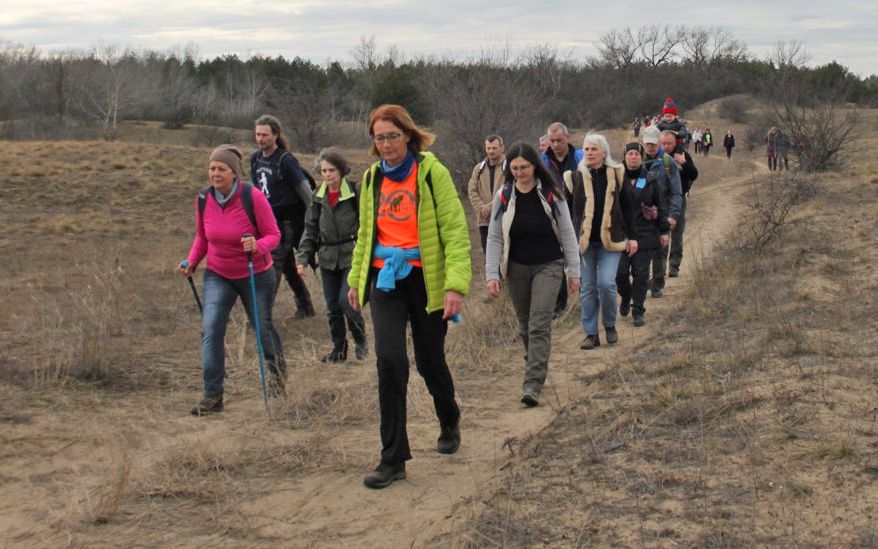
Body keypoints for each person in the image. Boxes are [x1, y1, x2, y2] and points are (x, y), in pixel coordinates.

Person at [347, 104, 471, 489]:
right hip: (386, 281)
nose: (385, 145)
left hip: (426, 280)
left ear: (409, 136)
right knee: (390, 361)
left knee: (430, 361)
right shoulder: (370, 181)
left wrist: (455, 286)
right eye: (379, 138)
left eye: (392, 136)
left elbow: (454, 231)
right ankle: (393, 458)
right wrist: (355, 280)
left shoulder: (432, 173)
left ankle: (448, 418)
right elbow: (366, 235)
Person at [179, 145, 285, 416]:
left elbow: (274, 235)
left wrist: (257, 246)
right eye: (212, 168)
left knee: (262, 327)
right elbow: (202, 238)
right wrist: (192, 261)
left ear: (233, 173)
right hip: (218, 273)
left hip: (256, 273)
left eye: (221, 169)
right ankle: (213, 395)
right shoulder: (203, 199)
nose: (215, 173)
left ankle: (278, 380)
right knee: (211, 330)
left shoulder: (252, 197)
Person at [485, 142, 580, 407]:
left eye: (524, 167)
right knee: (525, 324)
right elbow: (494, 237)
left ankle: (533, 383)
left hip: (548, 265)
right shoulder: (503, 196)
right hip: (515, 267)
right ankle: (534, 365)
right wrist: (491, 274)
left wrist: (574, 271)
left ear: (534, 165)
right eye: (514, 168)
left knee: (540, 323)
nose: (519, 172)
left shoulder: (552, 193)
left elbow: (568, 233)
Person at [296, 149, 367, 363]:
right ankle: (339, 350)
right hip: (327, 258)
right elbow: (310, 230)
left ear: (341, 170)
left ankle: (361, 340)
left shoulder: (354, 192)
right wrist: (302, 259)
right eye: (324, 171)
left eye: (331, 170)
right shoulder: (317, 197)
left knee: (347, 301)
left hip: (351, 255)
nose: (327, 175)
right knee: (332, 307)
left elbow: (366, 224)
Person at [565, 134, 633, 350]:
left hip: (611, 240)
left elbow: (628, 208)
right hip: (584, 242)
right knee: (587, 288)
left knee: (606, 283)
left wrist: (633, 238)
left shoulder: (617, 173)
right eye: (586, 149)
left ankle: (610, 325)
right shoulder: (574, 177)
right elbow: (567, 213)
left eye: (594, 149)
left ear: (604, 152)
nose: (589, 153)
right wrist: (567, 241)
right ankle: (591, 334)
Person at [251, 114, 316, 318]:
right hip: (266, 223)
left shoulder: (286, 160)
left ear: (276, 135)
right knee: (287, 266)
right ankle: (306, 307)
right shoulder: (255, 159)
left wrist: (316, 220)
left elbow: (306, 192)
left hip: (286, 223)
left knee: (271, 267)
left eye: (265, 135)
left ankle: (262, 316)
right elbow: (257, 192)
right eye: (258, 134)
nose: (260, 139)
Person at [615, 143, 669, 327]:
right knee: (620, 273)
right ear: (624, 157)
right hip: (621, 235)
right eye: (629, 153)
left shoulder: (651, 179)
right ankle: (626, 295)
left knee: (641, 274)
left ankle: (638, 309)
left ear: (641, 157)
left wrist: (663, 231)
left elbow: (661, 206)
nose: (633, 157)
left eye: (637, 154)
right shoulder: (616, 178)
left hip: (645, 233)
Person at [541, 122, 584, 317]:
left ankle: (586, 296)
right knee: (557, 258)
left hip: (578, 211)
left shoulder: (579, 157)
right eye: (552, 141)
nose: (556, 144)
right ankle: (559, 304)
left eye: (559, 140)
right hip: (554, 212)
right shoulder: (543, 160)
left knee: (581, 252)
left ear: (567, 138)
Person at [641, 125, 683, 299]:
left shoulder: (667, 163)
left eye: (653, 143)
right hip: (641, 215)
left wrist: (673, 215)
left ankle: (657, 283)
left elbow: (676, 192)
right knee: (642, 252)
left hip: (662, 213)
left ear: (658, 142)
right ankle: (641, 284)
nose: (650, 147)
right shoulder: (635, 160)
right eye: (647, 144)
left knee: (660, 250)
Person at [659, 130, 698, 278]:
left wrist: (684, 163)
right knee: (662, 233)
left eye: (669, 143)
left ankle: (674, 266)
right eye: (663, 143)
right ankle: (660, 268)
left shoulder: (682, 154)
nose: (666, 146)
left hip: (678, 199)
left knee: (677, 232)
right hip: (660, 200)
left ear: (675, 142)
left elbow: (694, 174)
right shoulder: (657, 156)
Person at [467, 134, 506, 254]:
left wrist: (490, 208)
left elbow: (509, 190)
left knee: (506, 255)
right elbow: (472, 190)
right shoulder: (479, 169)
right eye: (488, 148)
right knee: (488, 255)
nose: (491, 151)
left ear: (502, 148)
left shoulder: (509, 167)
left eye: (494, 148)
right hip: (484, 220)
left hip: (504, 218)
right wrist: (481, 209)